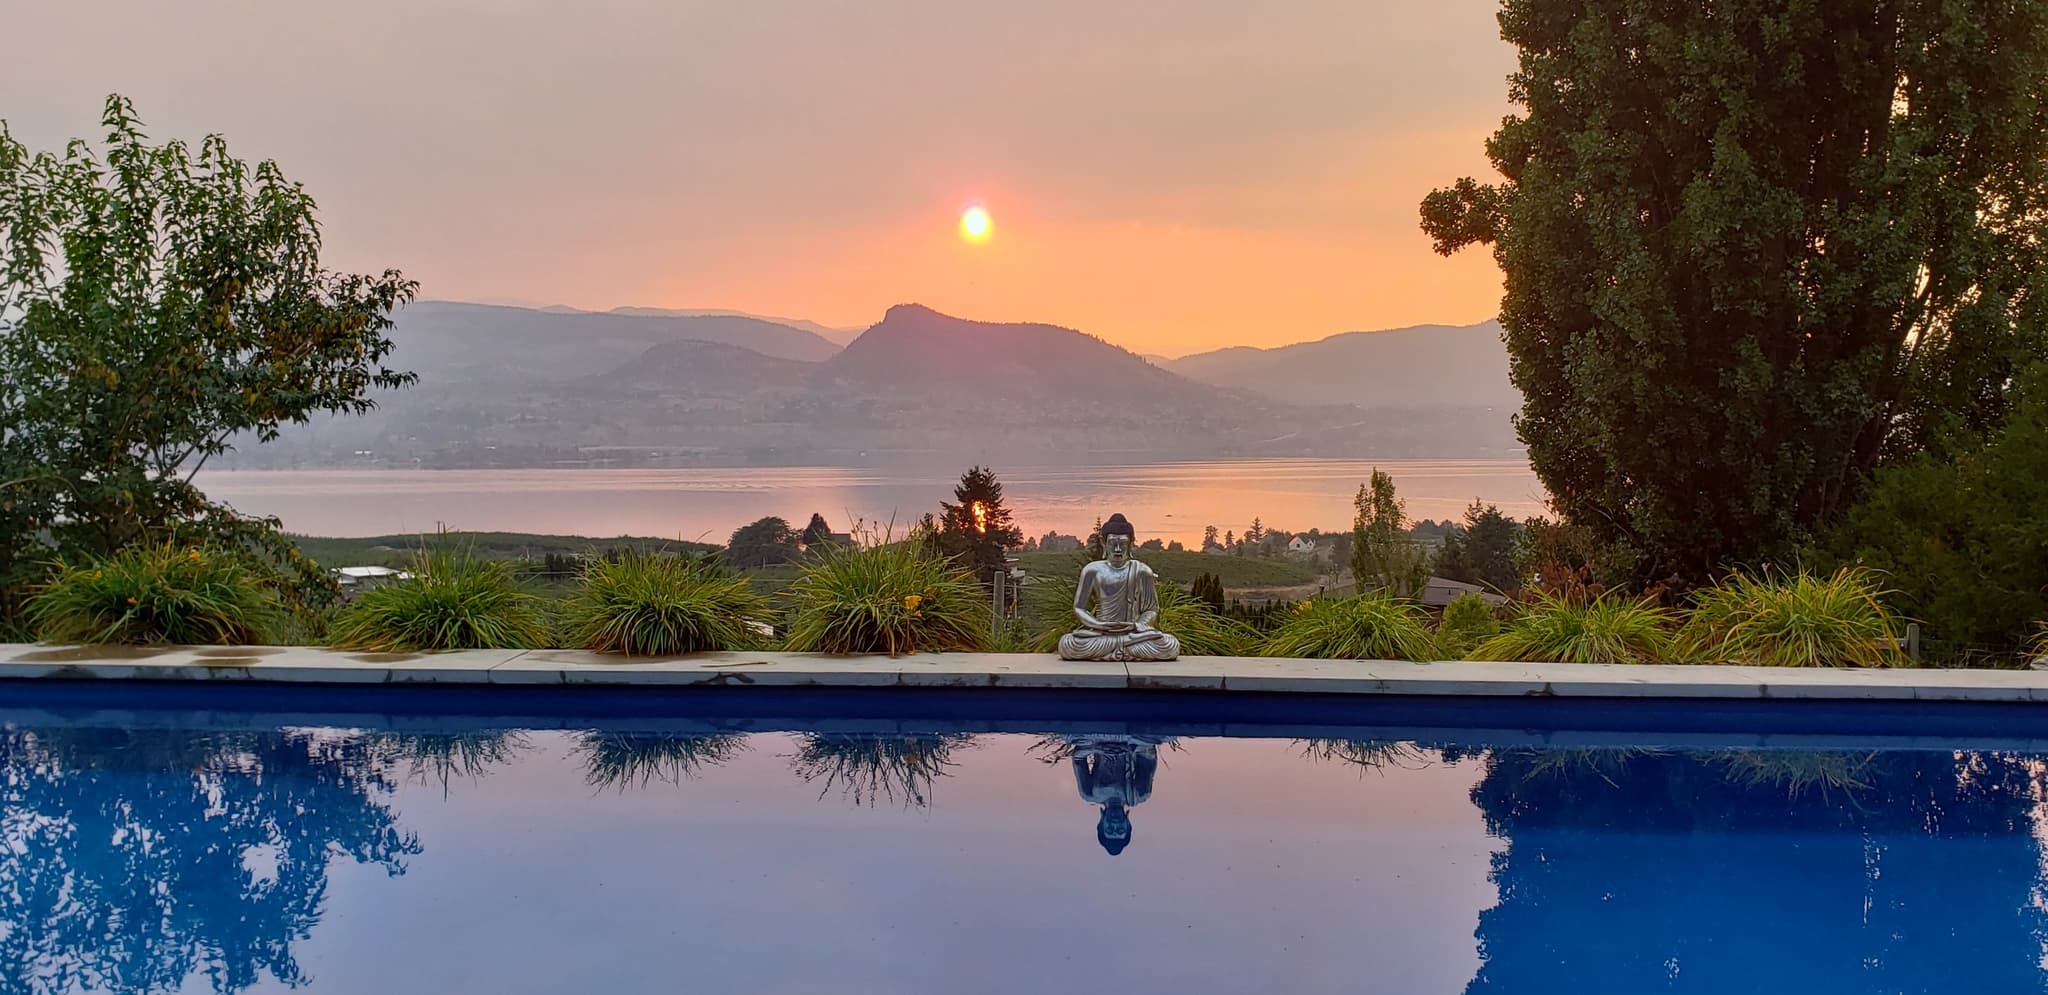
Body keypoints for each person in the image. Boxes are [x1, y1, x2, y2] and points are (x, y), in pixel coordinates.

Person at [1058, 513, 1180, 661]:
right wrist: (1098, 625)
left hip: (1132, 634)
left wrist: (1136, 626)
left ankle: (1115, 649)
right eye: (1112, 543)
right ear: (1104, 543)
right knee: (1068, 644)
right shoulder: (1092, 570)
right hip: (1102, 634)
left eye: (1122, 544)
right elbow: (1079, 608)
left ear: (1130, 544)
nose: (1117, 549)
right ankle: (1124, 650)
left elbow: (1151, 610)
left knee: (1170, 645)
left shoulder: (1142, 571)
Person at [1067, 734, 1169, 856]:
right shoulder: (1140, 794)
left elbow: (1077, 758)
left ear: (1101, 824)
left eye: (1109, 829)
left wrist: (1097, 749)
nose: (1115, 823)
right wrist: (1129, 749)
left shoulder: (1088, 794)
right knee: (1162, 737)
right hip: (1131, 739)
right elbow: (1150, 754)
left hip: (1098, 738)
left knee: (1069, 737)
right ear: (1128, 824)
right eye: (1120, 829)